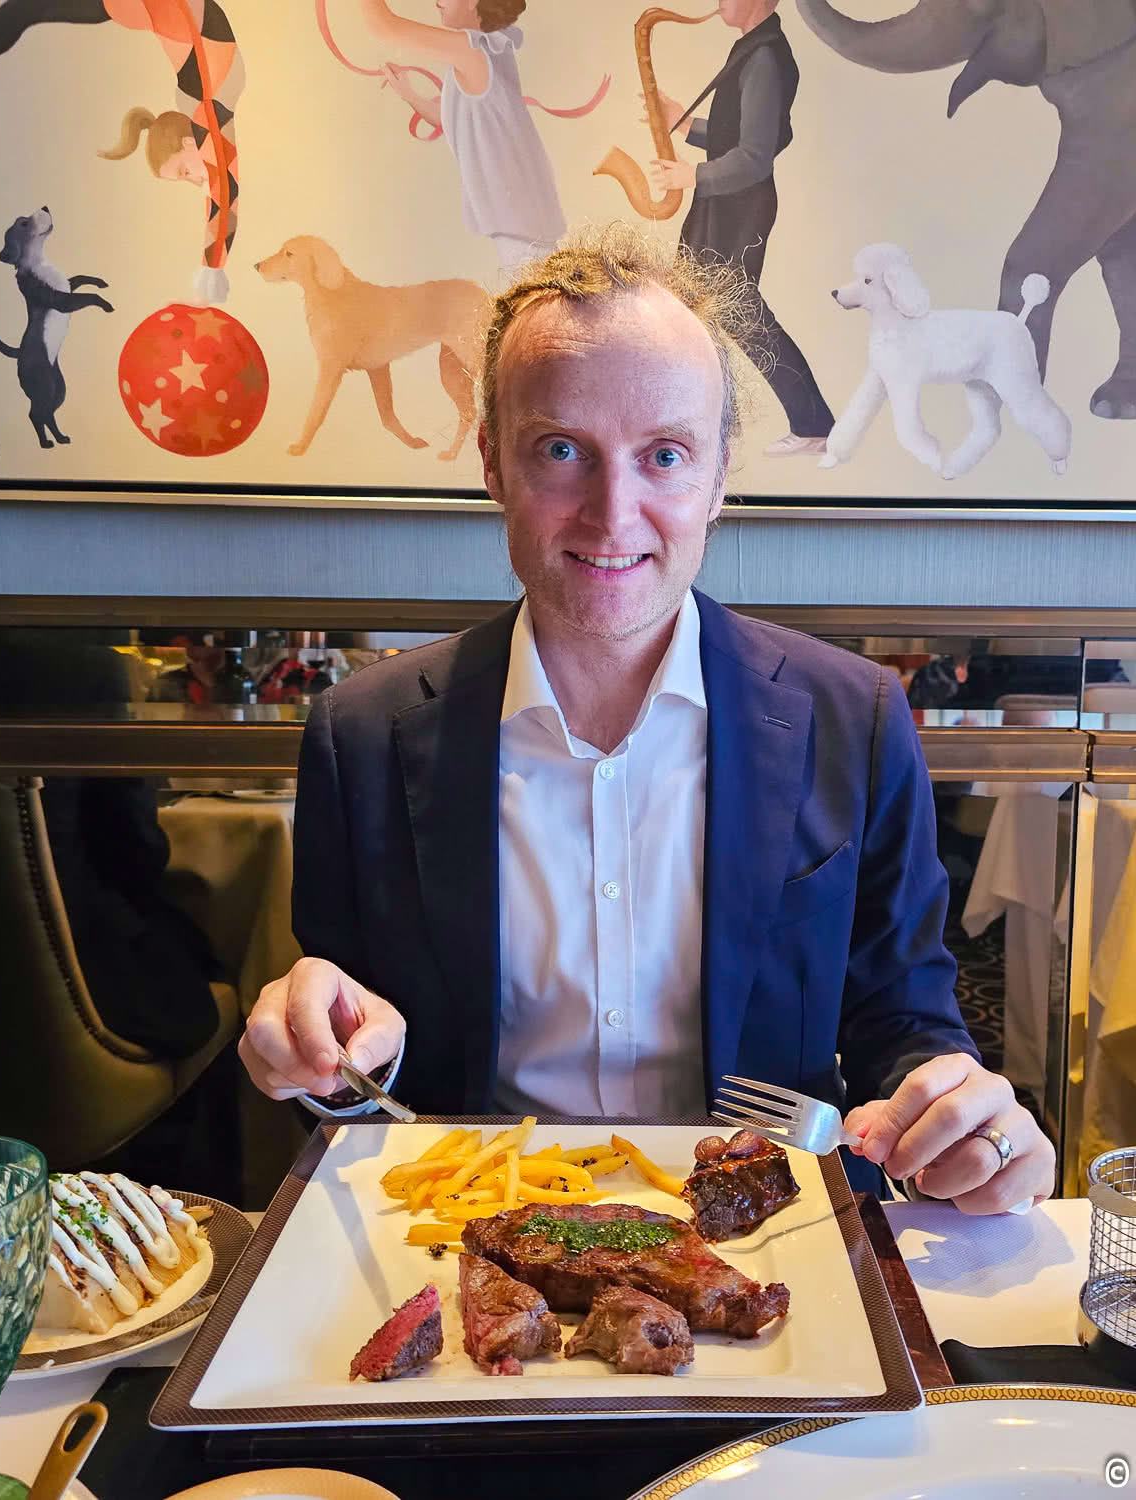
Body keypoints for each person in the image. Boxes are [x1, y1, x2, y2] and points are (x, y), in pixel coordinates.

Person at [240, 224, 1054, 1213]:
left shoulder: (855, 719)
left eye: (662, 454)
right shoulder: (358, 738)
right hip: (475, 1250)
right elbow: (349, 1085)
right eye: (559, 451)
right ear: (492, 461)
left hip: (764, 1257)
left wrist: (966, 1120)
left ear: (717, 477)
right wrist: (315, 1050)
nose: (611, 513)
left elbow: (903, 1025)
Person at [0, 0, 244, 304]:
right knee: (25, 11)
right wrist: (213, 265)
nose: (196, 178)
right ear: (185, 144)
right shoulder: (211, 112)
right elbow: (225, 193)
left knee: (25, 11)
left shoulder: (206, 108)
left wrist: (212, 263)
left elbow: (221, 189)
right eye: (184, 172)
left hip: (143, 8)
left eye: (184, 176)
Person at [647, 0, 834, 458]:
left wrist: (693, 175)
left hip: (738, 207)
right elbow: (753, 134)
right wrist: (688, 125)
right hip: (725, 204)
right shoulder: (755, 49)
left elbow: (755, 156)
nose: (717, 3)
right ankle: (688, 426)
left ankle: (814, 424)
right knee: (694, 311)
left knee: (739, 315)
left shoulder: (766, 56)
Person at [348, 0, 567, 279]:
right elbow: (453, 121)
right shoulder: (487, 52)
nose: (436, 1)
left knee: (532, 305)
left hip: (521, 232)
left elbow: (383, 27)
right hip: (522, 226)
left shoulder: (473, 50)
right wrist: (410, 95)